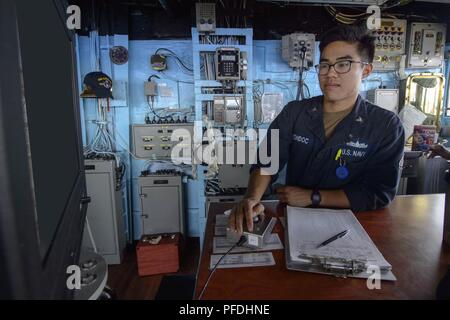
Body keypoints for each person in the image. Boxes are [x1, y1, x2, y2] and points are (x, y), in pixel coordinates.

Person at [229, 24, 405, 234]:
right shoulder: (295, 112)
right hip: (294, 221)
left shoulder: (385, 126)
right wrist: (252, 198)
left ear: (365, 70)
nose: (330, 73)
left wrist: (314, 197)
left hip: (356, 225)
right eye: (324, 65)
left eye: (343, 64)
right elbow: (268, 161)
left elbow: (378, 192)